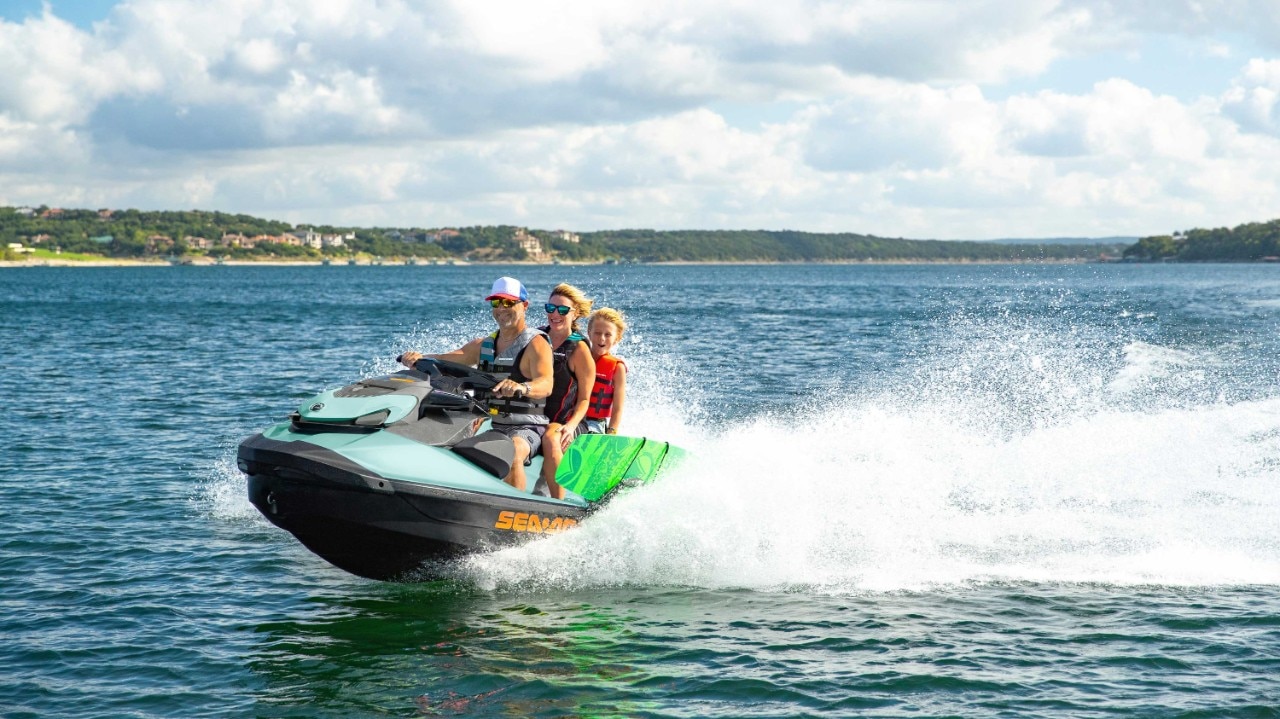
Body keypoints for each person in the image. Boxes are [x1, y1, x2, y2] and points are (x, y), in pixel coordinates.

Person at [398, 277, 553, 492]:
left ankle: (513, 507)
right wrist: (419, 359)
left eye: (508, 302)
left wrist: (521, 387)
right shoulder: (483, 345)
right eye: (496, 302)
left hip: (526, 426)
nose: (501, 308)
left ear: (525, 305)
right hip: (491, 422)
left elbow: (546, 384)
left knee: (512, 452)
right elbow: (447, 358)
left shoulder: (536, 343)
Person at [535, 283, 596, 499]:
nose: (555, 314)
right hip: (533, 417)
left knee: (552, 438)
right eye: (550, 308)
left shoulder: (579, 349)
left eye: (562, 310)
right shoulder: (536, 338)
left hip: (568, 422)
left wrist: (570, 427)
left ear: (575, 313)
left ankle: (556, 504)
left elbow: (585, 399)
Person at [584, 307, 628, 435]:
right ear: (589, 333)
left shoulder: (617, 368)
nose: (602, 338)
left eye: (608, 335)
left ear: (617, 338)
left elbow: (618, 407)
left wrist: (611, 432)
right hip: (570, 418)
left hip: (595, 423)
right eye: (597, 333)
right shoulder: (578, 357)